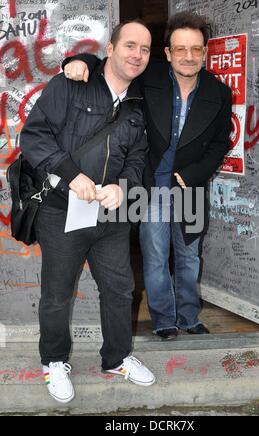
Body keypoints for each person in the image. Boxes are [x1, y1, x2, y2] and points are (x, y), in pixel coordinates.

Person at [63, 12, 232, 341]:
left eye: (196, 49)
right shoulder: (148, 76)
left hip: (190, 189)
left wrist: (193, 174)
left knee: (188, 257)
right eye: (180, 49)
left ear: (205, 52)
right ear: (167, 53)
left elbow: (219, 143)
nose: (188, 56)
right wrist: (79, 60)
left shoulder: (218, 93)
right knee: (154, 257)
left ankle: (188, 316)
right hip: (149, 185)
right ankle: (164, 319)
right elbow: (111, 65)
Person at [20, 19, 155, 405]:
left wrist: (123, 187)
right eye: (129, 45)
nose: (137, 55)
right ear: (109, 49)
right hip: (63, 210)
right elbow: (34, 135)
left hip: (110, 217)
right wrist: (70, 174)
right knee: (58, 293)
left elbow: (138, 156)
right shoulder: (71, 83)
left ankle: (116, 358)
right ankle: (54, 361)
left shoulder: (139, 102)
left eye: (144, 49)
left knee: (119, 289)